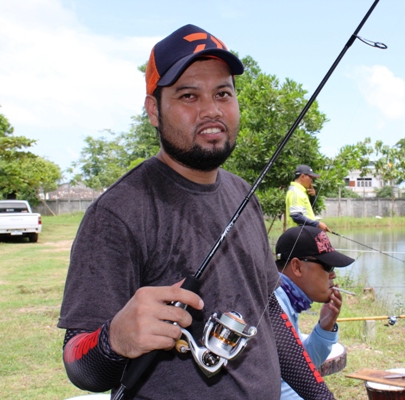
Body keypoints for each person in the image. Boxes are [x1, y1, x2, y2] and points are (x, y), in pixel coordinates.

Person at [58, 24, 333, 399]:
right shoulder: (119, 213)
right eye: (189, 96)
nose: (211, 110)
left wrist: (321, 396)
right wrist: (114, 339)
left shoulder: (243, 194)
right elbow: (80, 366)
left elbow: (266, 310)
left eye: (223, 93)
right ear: (154, 110)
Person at [275, 225, 354, 399]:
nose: (333, 275)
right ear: (297, 267)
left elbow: (298, 368)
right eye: (327, 266)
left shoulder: (286, 299)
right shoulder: (274, 305)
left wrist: (325, 328)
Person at [286, 164, 330, 232]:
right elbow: (296, 216)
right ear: (302, 176)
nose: (311, 181)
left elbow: (310, 209)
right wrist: (317, 224)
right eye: (310, 177)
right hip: (298, 234)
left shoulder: (302, 191)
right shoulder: (295, 192)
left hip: (305, 232)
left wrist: (312, 196)